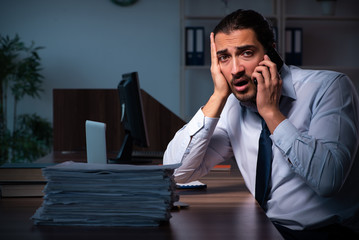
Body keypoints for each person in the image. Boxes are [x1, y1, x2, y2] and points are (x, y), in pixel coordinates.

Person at [163, 9, 359, 240]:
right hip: (262, 226)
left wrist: (271, 113)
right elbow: (175, 173)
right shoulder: (232, 107)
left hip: (324, 233)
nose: (235, 70)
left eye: (246, 53)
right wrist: (217, 96)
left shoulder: (329, 88)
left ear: (271, 53)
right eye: (224, 57)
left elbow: (328, 181)